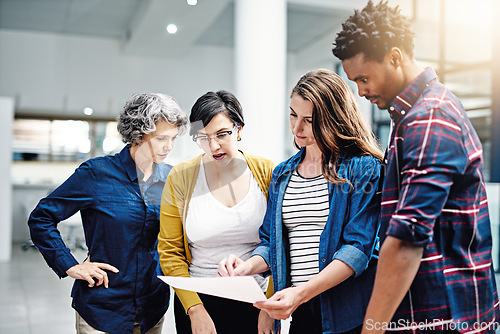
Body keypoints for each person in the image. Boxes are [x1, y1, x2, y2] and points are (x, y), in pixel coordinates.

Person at [332, 1, 499, 333]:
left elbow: (408, 237)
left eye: (364, 78)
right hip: (429, 313)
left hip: (448, 318)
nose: (361, 91)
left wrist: (373, 327)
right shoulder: (412, 117)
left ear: (395, 57)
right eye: (354, 82)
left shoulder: (430, 117)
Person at [218, 69, 383, 334]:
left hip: (348, 314)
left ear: (333, 119)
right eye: (293, 115)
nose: (296, 128)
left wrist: (301, 292)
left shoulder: (363, 168)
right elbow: (272, 242)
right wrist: (247, 267)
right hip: (301, 312)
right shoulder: (283, 173)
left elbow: (358, 250)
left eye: (309, 120)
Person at [28, 93, 188, 334]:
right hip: (102, 308)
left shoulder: (172, 178)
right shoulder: (96, 174)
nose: (169, 146)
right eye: (161, 138)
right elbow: (41, 218)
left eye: (173, 138)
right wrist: (69, 265)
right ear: (138, 134)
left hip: (152, 307)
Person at [158, 90, 276, 334]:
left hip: (257, 299)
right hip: (199, 301)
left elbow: (279, 243)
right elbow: (170, 252)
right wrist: (194, 310)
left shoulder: (268, 173)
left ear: (239, 129)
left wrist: (269, 305)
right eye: (203, 137)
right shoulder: (181, 176)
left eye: (222, 134)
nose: (213, 146)